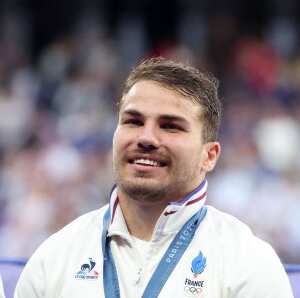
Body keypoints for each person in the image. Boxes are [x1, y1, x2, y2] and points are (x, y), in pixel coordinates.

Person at [15, 57, 294, 298]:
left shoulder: (248, 263)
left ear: (209, 156)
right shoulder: (55, 257)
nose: (146, 138)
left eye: (170, 126)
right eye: (133, 121)